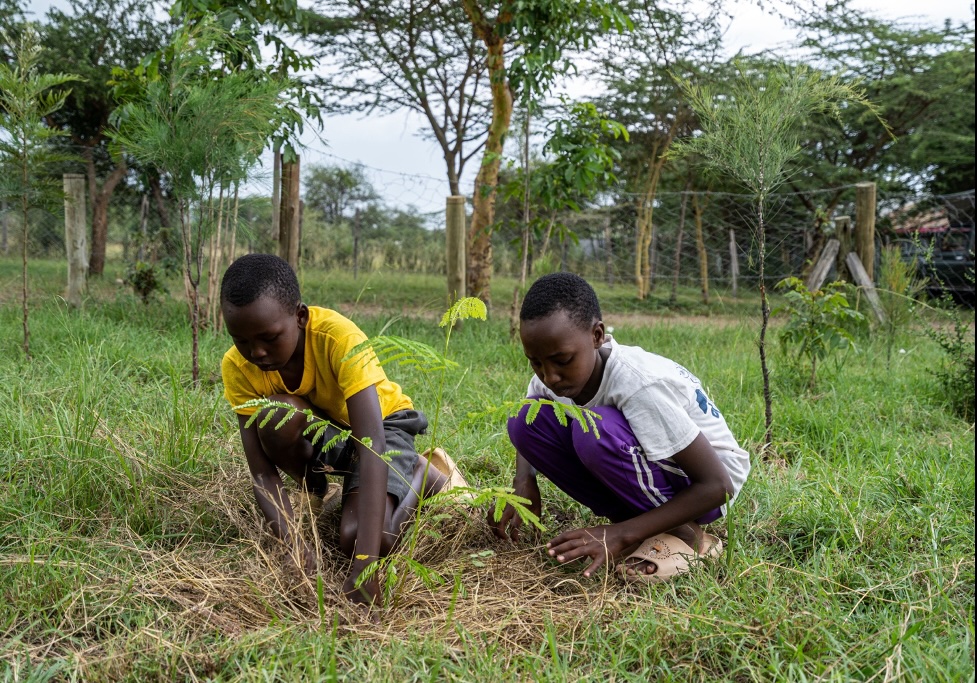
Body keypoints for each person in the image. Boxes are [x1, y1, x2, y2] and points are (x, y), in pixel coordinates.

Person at [220, 253, 449, 605]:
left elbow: (371, 448)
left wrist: (363, 568)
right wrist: (293, 548)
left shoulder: (338, 338)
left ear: (299, 315)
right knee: (277, 414)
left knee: (364, 539)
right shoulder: (237, 367)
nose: (257, 352)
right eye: (242, 340)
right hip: (332, 432)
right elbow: (262, 473)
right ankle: (319, 492)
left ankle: (422, 474)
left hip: (382, 430)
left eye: (269, 337)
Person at [490, 272, 750, 582]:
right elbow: (530, 423)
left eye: (562, 360)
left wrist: (622, 535)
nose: (550, 376)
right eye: (536, 362)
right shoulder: (551, 378)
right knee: (526, 420)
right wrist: (523, 482)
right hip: (658, 467)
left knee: (595, 431)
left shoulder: (638, 384)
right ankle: (640, 521)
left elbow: (717, 486)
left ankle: (689, 536)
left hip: (704, 484)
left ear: (597, 335)